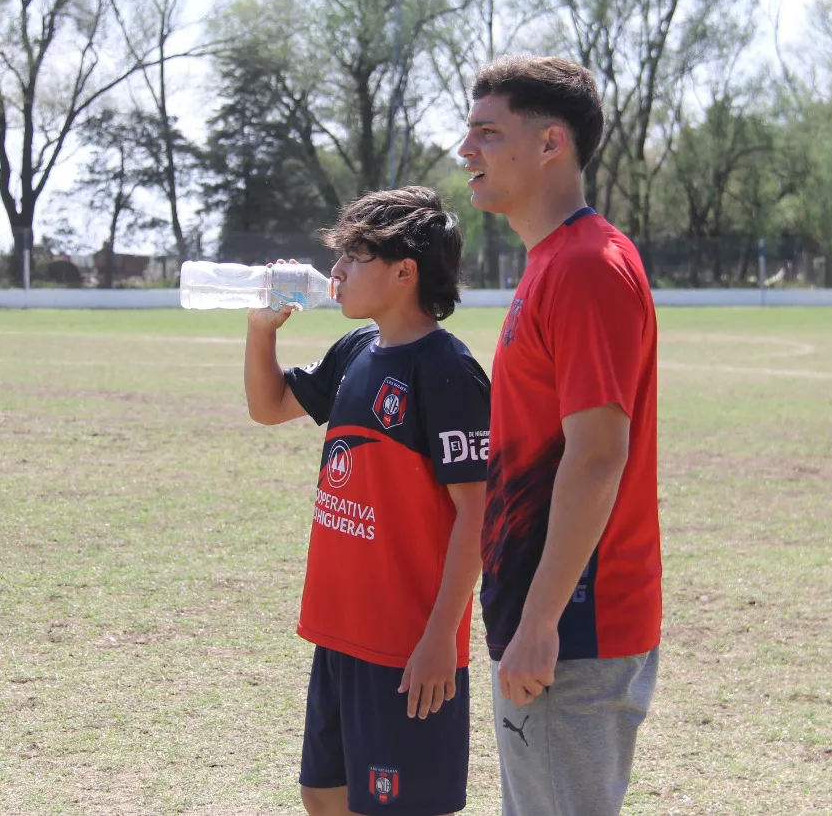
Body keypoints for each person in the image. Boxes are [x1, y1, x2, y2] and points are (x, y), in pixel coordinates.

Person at [243, 187, 490, 816]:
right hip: (340, 631)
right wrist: (260, 332)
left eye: (356, 257)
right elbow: (268, 407)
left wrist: (441, 639)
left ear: (406, 272)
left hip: (407, 649)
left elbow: (477, 514)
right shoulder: (356, 351)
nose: (337, 272)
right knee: (324, 796)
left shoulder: (448, 371)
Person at [457, 55, 662, 814]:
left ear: (550, 144)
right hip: (546, 618)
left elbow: (600, 451)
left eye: (486, 131)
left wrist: (541, 619)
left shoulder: (585, 265)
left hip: (577, 624)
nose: (465, 149)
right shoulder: (550, 262)